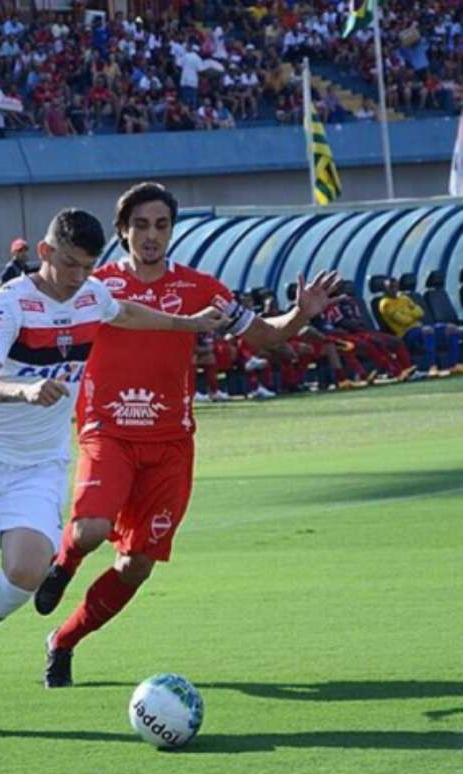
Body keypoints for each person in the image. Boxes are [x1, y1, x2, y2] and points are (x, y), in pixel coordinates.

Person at [0, 207, 229, 735]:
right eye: (68, 264)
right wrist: (21, 390)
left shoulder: (93, 294)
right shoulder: (6, 305)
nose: (77, 277)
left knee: (28, 572)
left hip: (38, 463)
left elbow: (127, 312)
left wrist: (187, 324)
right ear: (44, 253)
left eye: (87, 266)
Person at [32, 182, 344, 688]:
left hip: (171, 446)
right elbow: (36, 308)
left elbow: (263, 334)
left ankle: (63, 642)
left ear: (171, 230)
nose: (151, 235)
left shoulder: (203, 289)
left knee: (135, 566)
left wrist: (300, 315)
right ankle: (62, 566)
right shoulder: (98, 285)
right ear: (122, 231)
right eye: (140, 225)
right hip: (107, 431)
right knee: (89, 530)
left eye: (160, 225)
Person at [378, 277, 461, 375]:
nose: (394, 289)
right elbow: (403, 321)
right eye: (390, 287)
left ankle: (455, 365)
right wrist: (411, 312)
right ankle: (432, 367)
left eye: (396, 286)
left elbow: (420, 313)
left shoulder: (404, 298)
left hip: (419, 329)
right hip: (405, 334)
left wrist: (408, 313)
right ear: (385, 289)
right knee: (428, 330)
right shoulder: (385, 304)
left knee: (451, 329)